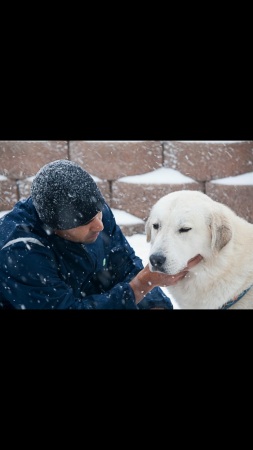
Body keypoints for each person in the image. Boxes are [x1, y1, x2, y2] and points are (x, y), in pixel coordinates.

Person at [0, 160, 201, 310]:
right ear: (56, 228)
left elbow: (123, 265)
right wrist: (139, 286)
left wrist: (155, 305)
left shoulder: (92, 210)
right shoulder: (20, 251)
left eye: (98, 212)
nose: (99, 225)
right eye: (87, 222)